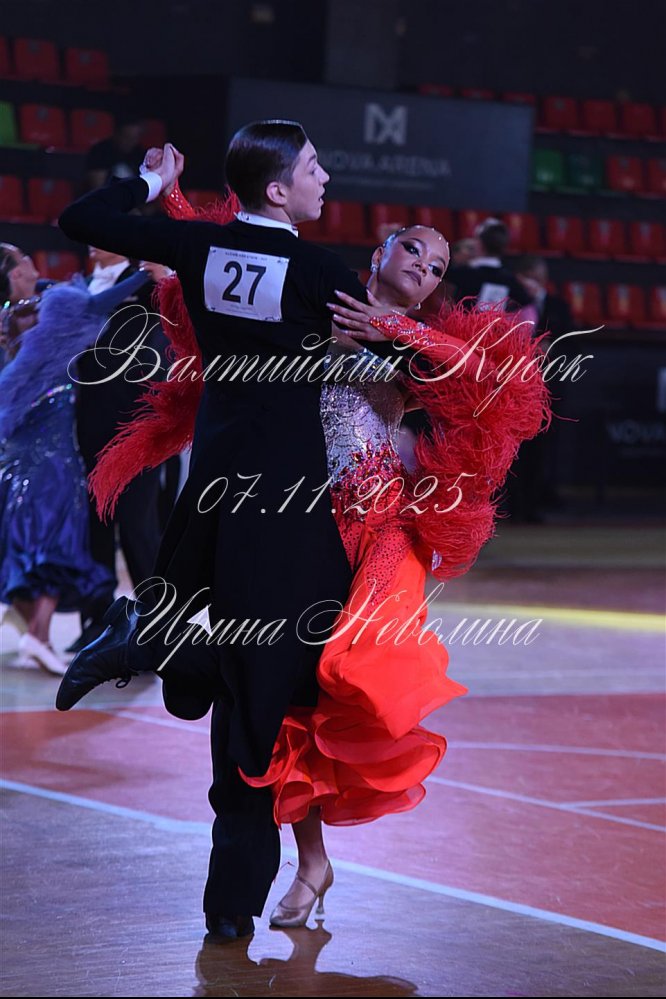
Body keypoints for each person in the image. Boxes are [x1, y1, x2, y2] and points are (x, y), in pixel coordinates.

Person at [72, 160, 552, 932]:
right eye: (413, 250)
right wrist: (172, 204)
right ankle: (312, 860)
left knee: (341, 677)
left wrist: (396, 329)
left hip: (376, 528)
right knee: (293, 696)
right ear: (379, 253)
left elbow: (495, 383)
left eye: (437, 267)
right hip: (298, 517)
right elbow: (236, 268)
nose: (424, 269)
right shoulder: (318, 295)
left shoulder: (428, 345)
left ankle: (156, 655)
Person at [54, 122, 388, 940]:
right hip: (285, 505)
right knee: (269, 687)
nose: (325, 177)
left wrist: (148, 181)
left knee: (256, 682)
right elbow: (399, 355)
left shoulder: (200, 249)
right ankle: (232, 893)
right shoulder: (319, 270)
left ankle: (147, 641)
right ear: (278, 188)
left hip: (213, 490)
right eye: (313, 167)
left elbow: (80, 219)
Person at [0, 266, 148, 673]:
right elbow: (97, 304)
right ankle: (38, 634)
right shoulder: (54, 310)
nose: (33, 267)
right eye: (23, 262)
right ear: (14, 274)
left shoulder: (15, 317)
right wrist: (143, 275)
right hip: (52, 450)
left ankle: (32, 625)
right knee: (57, 539)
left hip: (22, 448)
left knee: (31, 538)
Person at [66, 246, 169, 655]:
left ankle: (156, 625)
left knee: (137, 523)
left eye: (103, 236)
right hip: (89, 422)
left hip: (139, 423)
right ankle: (97, 621)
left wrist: (164, 279)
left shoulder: (146, 280)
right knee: (96, 523)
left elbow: (179, 315)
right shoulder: (79, 286)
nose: (94, 244)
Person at [447, 217, 534, 312]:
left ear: (479, 244)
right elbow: (526, 302)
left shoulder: (464, 273)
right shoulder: (509, 279)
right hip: (495, 322)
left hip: (461, 321)